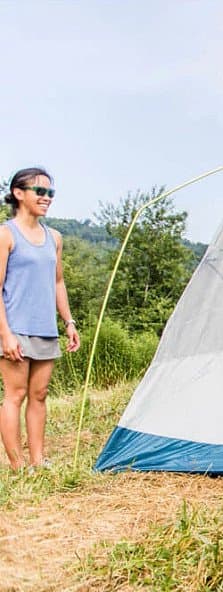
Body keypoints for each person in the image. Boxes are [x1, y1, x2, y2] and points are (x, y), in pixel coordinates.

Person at [0, 168, 80, 471]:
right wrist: (5, 334)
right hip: (14, 328)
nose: (46, 198)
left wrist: (68, 322)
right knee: (15, 394)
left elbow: (58, 282)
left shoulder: (54, 238)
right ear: (19, 194)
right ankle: (18, 465)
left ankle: (37, 460)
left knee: (39, 395)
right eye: (40, 191)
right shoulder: (5, 235)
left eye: (50, 193)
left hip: (45, 328)